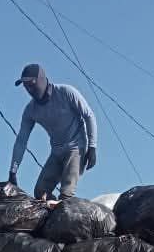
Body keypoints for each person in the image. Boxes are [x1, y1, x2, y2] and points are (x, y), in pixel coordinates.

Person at [9, 64, 98, 200]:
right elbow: (21, 140)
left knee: (66, 194)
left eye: (31, 84)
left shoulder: (66, 92)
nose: (29, 89)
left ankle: (67, 213)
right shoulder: (31, 110)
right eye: (25, 86)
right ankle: (53, 215)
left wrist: (92, 146)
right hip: (56, 151)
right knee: (40, 193)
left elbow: (89, 115)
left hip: (76, 148)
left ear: (41, 80)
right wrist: (13, 171)